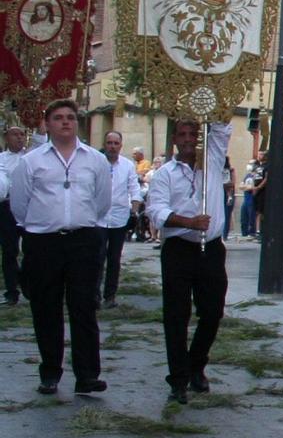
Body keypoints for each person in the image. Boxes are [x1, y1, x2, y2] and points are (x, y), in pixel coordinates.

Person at [11, 100, 117, 395]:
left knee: (84, 306)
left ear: (77, 123)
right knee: (46, 307)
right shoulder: (32, 161)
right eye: (58, 118)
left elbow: (102, 201)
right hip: (44, 241)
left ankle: (87, 375)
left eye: (70, 117)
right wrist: (41, 225)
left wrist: (84, 224)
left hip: (83, 240)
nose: (65, 122)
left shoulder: (94, 159)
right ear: (47, 124)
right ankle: (50, 372)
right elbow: (20, 204)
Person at [147, 119, 231, 405]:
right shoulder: (164, 174)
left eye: (193, 134)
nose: (187, 139)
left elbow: (221, 128)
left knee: (212, 311)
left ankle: (196, 363)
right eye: (181, 135)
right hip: (179, 248)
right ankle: (178, 378)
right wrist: (189, 222)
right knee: (176, 315)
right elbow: (156, 210)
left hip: (211, 249)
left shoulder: (213, 161)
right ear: (174, 139)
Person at [98, 131, 142, 307]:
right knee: (97, 257)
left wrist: (134, 212)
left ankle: (110, 296)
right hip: (98, 218)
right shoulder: (96, 163)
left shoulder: (127, 166)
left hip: (119, 218)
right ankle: (94, 294)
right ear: (105, 144)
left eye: (116, 143)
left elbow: (134, 189)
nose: (112, 146)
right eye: (109, 143)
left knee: (114, 259)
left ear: (120, 146)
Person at [0, 124, 28, 304]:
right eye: (14, 134)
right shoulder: (2, 158)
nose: (19, 137)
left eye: (22, 134)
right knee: (9, 251)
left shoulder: (31, 156)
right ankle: (11, 291)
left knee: (32, 249)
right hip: (7, 208)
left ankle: (27, 283)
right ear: (6, 138)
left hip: (29, 208)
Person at [240, 155, 263, 239]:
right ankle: (244, 233)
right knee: (243, 218)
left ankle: (251, 233)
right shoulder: (248, 175)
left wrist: (248, 187)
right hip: (246, 198)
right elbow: (241, 186)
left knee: (251, 217)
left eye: (251, 164)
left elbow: (254, 187)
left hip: (252, 198)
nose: (249, 165)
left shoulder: (257, 175)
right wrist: (248, 187)